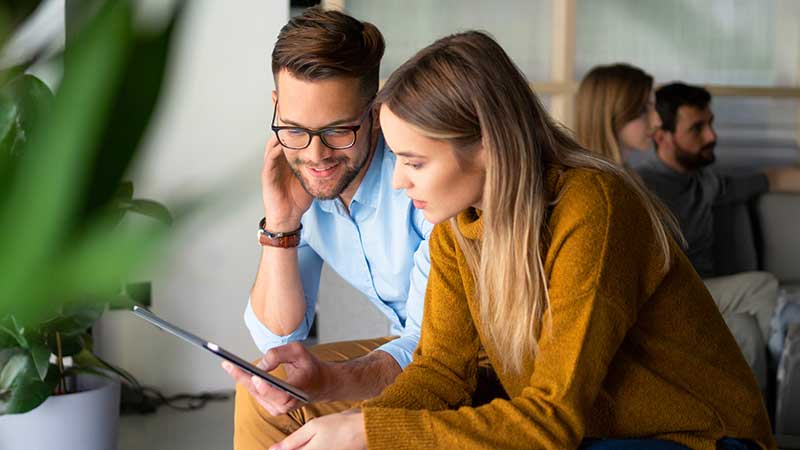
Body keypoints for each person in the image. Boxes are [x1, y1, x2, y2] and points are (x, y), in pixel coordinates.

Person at [268, 31, 774, 450]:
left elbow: (551, 419)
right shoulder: (457, 229)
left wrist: (372, 433)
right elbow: (441, 373)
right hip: (595, 433)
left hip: (700, 437)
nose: (398, 181)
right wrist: (360, 425)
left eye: (415, 162)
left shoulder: (593, 206)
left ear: (487, 145)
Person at [222, 7, 436, 449]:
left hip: (467, 353)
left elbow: (433, 347)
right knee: (266, 389)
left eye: (338, 131)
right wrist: (281, 225)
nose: (316, 156)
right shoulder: (297, 173)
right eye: (295, 129)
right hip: (411, 344)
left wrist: (332, 382)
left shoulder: (418, 178)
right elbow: (276, 339)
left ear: (374, 111)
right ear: (276, 105)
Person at [637, 82, 800, 392]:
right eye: (697, 128)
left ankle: (759, 417)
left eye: (710, 123)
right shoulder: (639, 186)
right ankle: (789, 368)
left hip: (708, 295)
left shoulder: (708, 183)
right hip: (666, 301)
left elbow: (774, 178)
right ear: (661, 137)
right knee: (763, 286)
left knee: (745, 330)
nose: (712, 136)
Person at [575, 63, 660, 168]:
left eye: (654, 108)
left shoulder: (626, 171)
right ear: (608, 113)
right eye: (643, 110)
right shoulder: (591, 177)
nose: (657, 122)